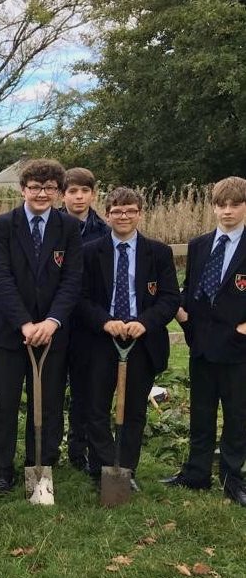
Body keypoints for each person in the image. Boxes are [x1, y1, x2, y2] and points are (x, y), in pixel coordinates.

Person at [0, 159, 83, 494]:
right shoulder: (2, 226)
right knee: (6, 404)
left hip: (52, 335)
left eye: (49, 188)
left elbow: (72, 280)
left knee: (49, 404)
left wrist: (52, 322)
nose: (42, 193)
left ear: (58, 191)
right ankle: (2, 470)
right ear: (23, 189)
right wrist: (25, 323)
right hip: (9, 334)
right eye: (35, 187)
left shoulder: (68, 228)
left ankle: (40, 468)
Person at [79, 188, 180, 491]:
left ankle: (127, 469)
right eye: (117, 211)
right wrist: (105, 322)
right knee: (95, 408)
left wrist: (144, 323)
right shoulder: (90, 252)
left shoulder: (158, 252)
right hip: (101, 340)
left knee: (134, 409)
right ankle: (104, 467)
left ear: (139, 213)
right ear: (107, 214)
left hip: (141, 341)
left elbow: (170, 298)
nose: (123, 216)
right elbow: (80, 298)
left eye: (130, 211)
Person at [164, 176, 246, 506]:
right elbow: (191, 289)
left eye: (235, 205)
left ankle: (231, 476)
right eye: (221, 205)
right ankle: (196, 472)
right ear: (213, 207)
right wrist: (183, 316)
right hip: (201, 343)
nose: (227, 211)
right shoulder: (199, 245)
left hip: (237, 346)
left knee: (237, 414)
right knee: (201, 411)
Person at [60, 168, 111, 473]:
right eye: (72, 191)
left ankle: (81, 449)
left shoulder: (103, 231)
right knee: (53, 388)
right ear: (63, 194)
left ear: (93, 194)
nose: (78, 197)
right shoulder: (52, 225)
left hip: (88, 322)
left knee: (85, 390)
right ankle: (50, 447)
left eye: (84, 191)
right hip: (56, 319)